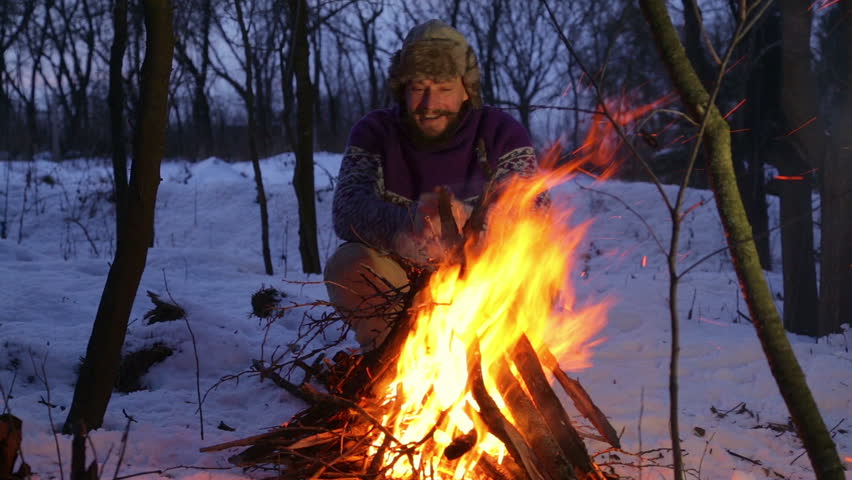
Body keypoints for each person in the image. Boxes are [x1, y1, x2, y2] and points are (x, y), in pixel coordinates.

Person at [324, 19, 545, 349]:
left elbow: (536, 211)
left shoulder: (501, 132)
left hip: (484, 279)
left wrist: (470, 221)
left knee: (535, 262)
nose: (430, 104)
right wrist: (410, 222)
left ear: (466, 89)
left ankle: (504, 361)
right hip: (401, 287)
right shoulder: (375, 132)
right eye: (418, 88)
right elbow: (347, 210)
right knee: (348, 263)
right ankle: (391, 357)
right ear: (402, 89)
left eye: (443, 88)